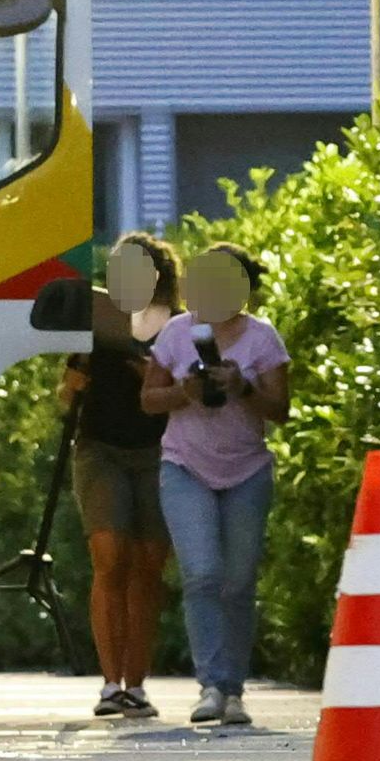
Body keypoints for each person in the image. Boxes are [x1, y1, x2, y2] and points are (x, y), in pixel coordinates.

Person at [140, 241, 291, 730]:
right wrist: (185, 391)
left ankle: (234, 690)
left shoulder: (263, 339)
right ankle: (211, 684)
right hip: (185, 467)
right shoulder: (176, 334)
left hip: (247, 470)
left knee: (238, 582)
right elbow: (149, 400)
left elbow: (280, 410)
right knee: (202, 574)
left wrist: (242, 388)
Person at [63, 232, 179, 721]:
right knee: (110, 558)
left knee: (148, 565)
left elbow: (192, 390)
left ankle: (137, 684)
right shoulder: (96, 325)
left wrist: (153, 375)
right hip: (100, 447)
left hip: (161, 449)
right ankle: (111, 684)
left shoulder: (178, 328)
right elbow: (66, 398)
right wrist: (72, 386)